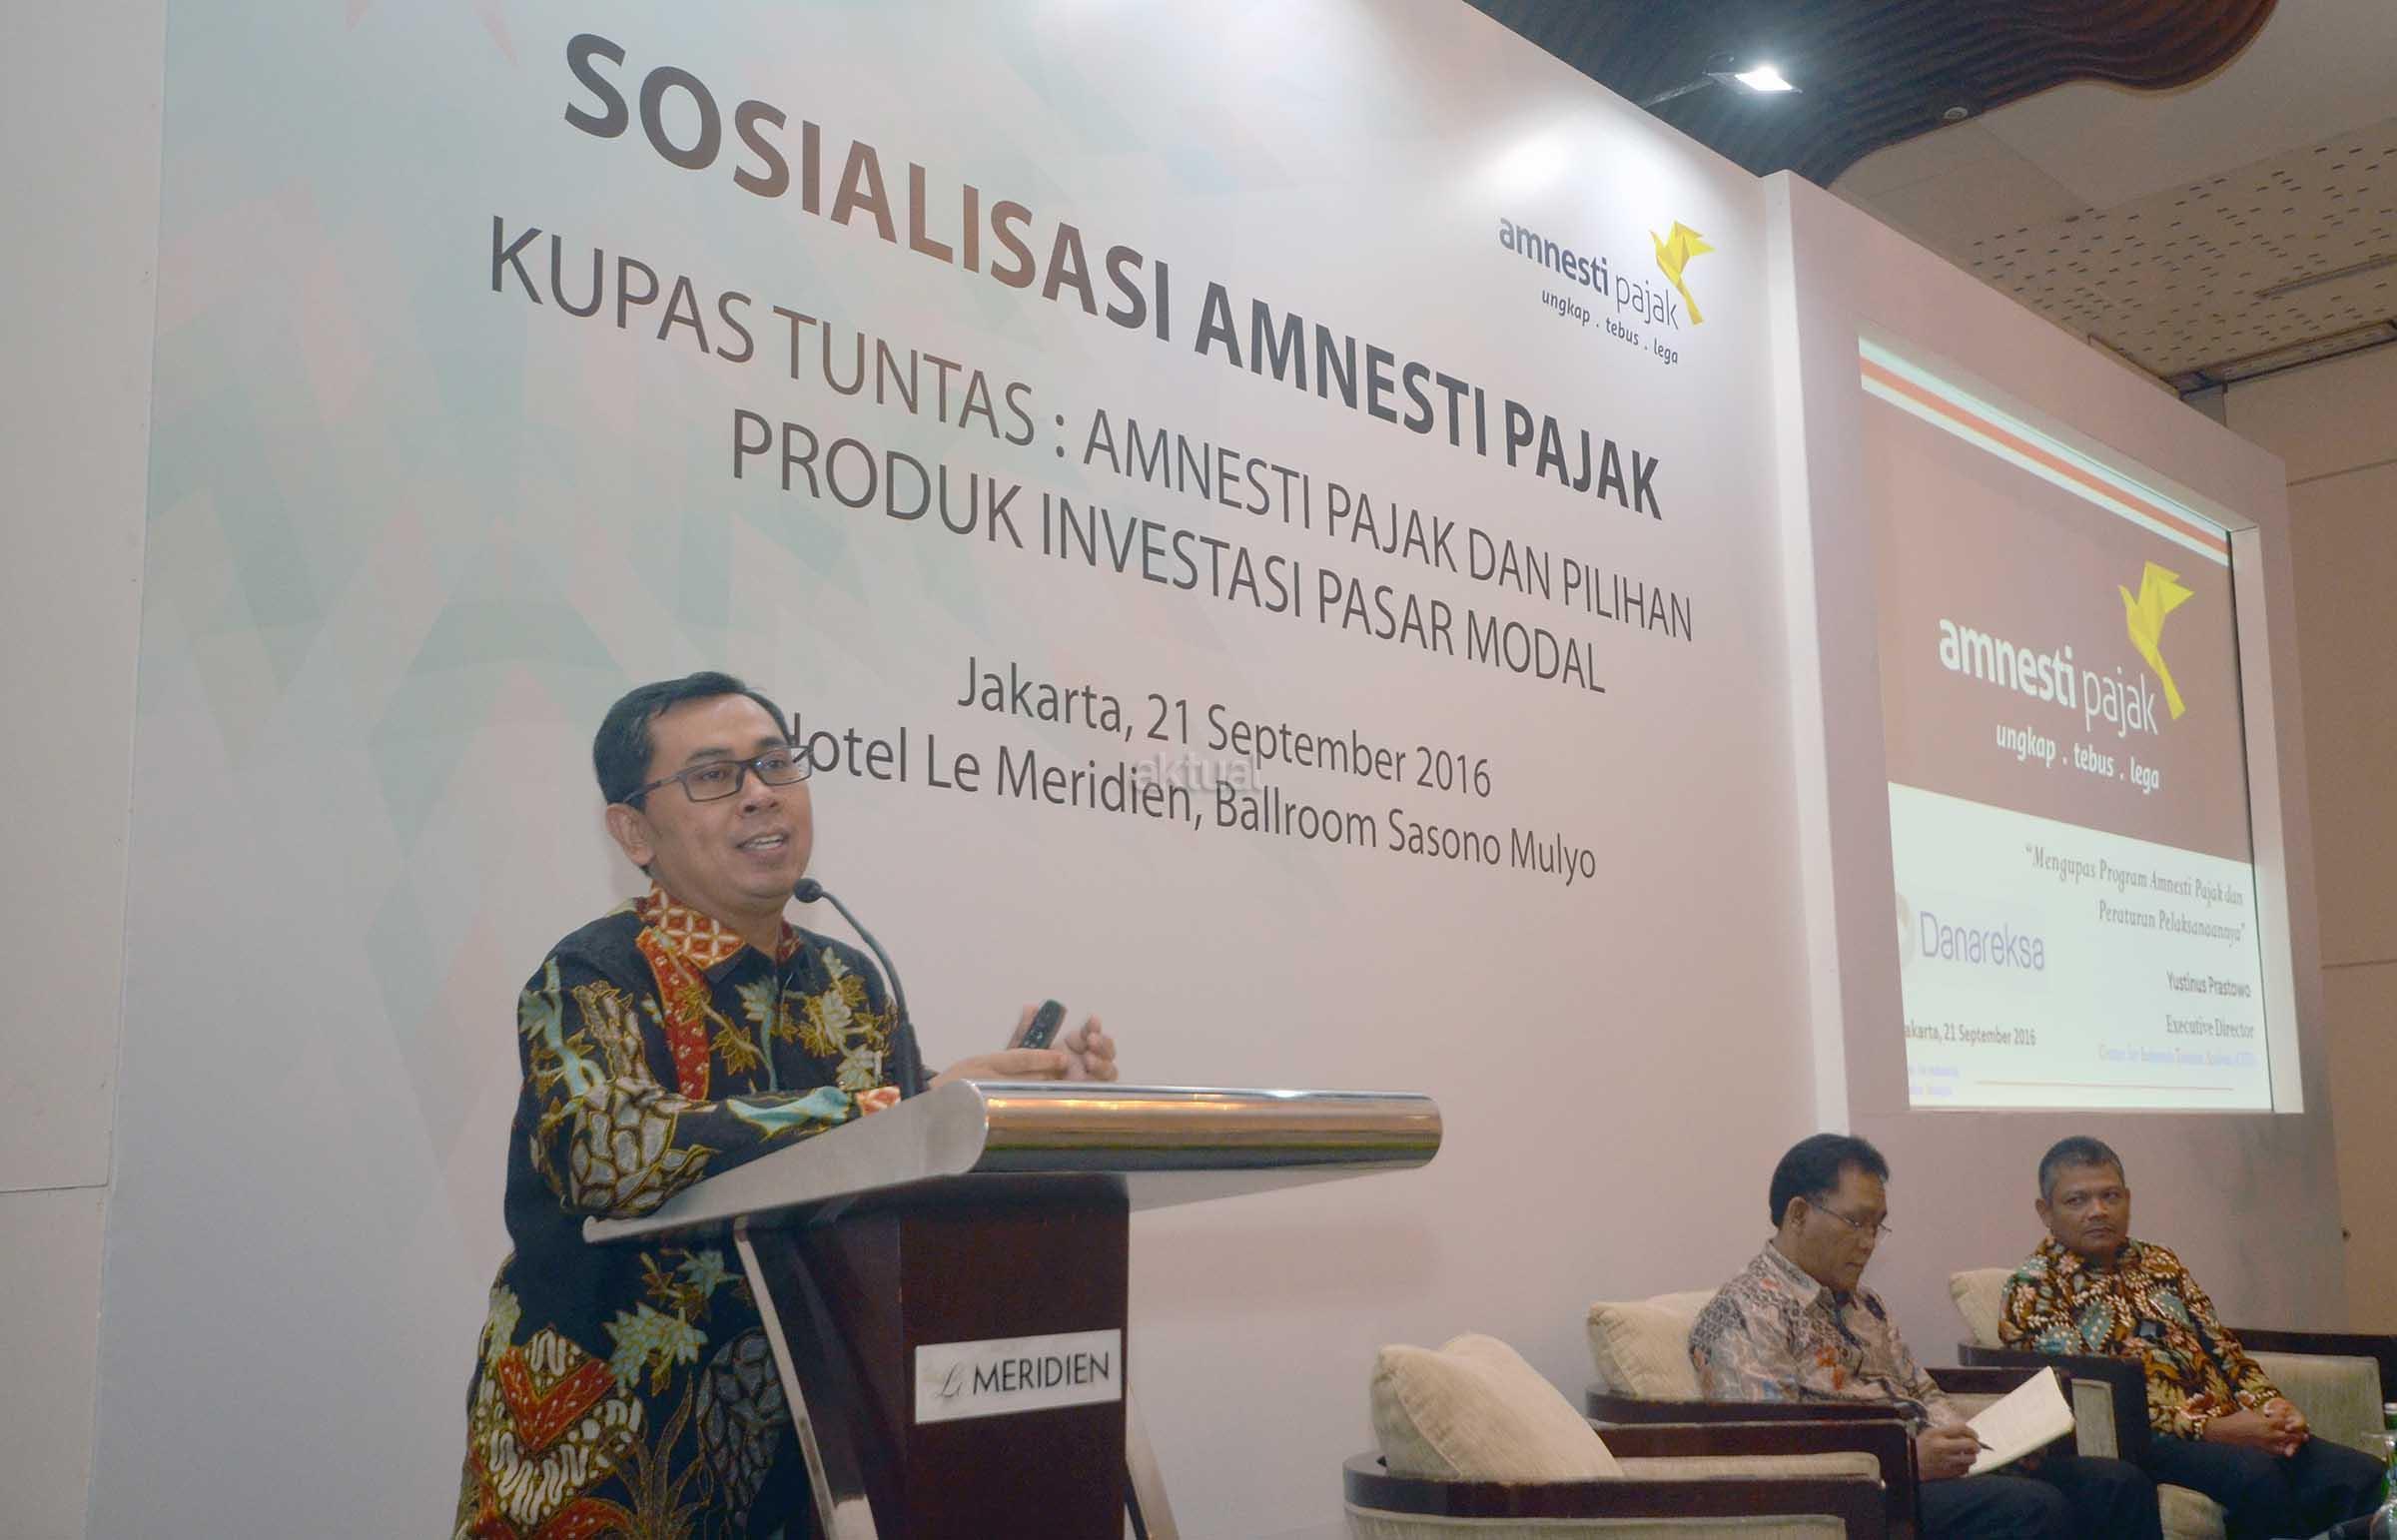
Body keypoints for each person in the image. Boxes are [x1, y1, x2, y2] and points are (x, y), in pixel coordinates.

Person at [451, 672, 1118, 1538]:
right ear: (634, 831)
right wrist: (901, 1107)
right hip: (607, 1451)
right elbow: (608, 1152)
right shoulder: (591, 973)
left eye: (775, 763)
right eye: (713, 775)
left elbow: (884, 1162)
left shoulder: (848, 980)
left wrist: (1004, 1108)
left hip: (803, 1456)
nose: (761, 793)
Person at [1691, 1133, 2161, 1540]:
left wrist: (1986, 1445)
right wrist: (1905, 1461)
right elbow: (1772, 1450)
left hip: (1925, 1472)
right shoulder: (1743, 1312)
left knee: (2117, 1484)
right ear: (1798, 1214)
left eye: (1878, 1225)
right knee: (2032, 1508)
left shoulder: (1865, 1304)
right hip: (1865, 1496)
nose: (1869, 1242)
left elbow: (1920, 1391)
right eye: (1857, 1222)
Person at [1999, 1136, 2381, 1540]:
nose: (2098, 1211)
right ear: (2045, 1211)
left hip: (2230, 1423)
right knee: (2254, 1474)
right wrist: (2212, 1429)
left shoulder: (2161, 1263)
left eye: (2110, 1196)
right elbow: (2095, 1398)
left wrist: (2272, 1407)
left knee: (2363, 1474)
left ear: (2128, 1198)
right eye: (2077, 1200)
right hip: (2142, 1442)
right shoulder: (2035, 1287)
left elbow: (2225, 1351)